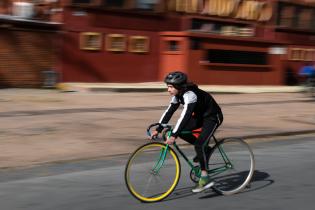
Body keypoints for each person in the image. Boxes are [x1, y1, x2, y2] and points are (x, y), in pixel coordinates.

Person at [151, 71, 223, 193]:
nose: (168, 89)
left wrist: (174, 135)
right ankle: (206, 150)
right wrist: (158, 128)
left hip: (212, 116)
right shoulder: (177, 95)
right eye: (167, 86)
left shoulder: (190, 94)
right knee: (180, 131)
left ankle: (205, 178)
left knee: (199, 144)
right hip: (200, 116)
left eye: (170, 87)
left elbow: (185, 116)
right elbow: (169, 111)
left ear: (178, 87)